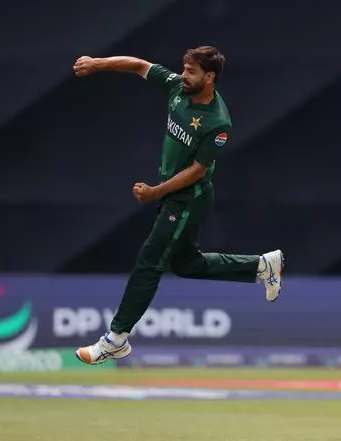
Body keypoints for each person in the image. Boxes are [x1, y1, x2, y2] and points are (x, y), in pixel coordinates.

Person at [72, 46, 284, 364]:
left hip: (189, 198)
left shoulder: (217, 123)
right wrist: (97, 63)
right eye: (184, 69)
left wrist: (156, 192)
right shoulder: (178, 87)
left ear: (210, 77)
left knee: (150, 260)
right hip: (174, 196)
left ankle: (115, 340)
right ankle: (260, 266)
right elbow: (140, 65)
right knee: (187, 265)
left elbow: (198, 171)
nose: (184, 76)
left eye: (192, 71)